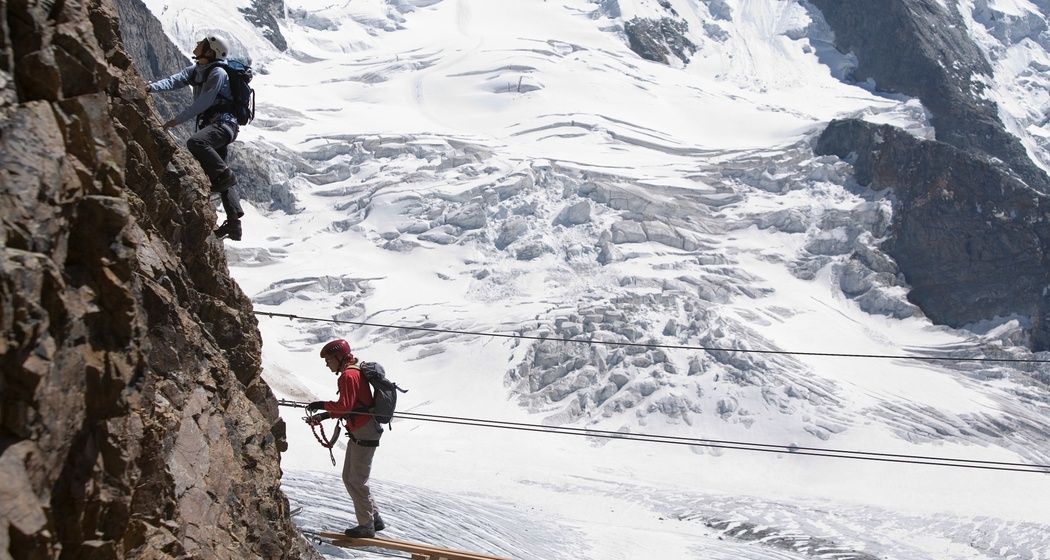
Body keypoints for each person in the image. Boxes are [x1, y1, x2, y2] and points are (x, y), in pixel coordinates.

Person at [146, 34, 244, 241]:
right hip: (218, 126)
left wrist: (176, 120)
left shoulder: (217, 73)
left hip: (223, 124)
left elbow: (205, 102)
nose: (197, 44)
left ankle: (225, 178)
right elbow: (176, 80)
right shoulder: (198, 70)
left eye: (202, 44)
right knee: (221, 173)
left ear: (211, 51)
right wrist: (151, 87)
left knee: (197, 143)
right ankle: (234, 223)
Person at [306, 339, 386, 538]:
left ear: (338, 357)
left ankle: (367, 525)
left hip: (363, 431)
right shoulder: (354, 372)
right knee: (349, 477)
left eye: (328, 360)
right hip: (361, 430)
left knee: (356, 480)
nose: (327, 365)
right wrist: (324, 413)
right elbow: (350, 406)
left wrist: (322, 406)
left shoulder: (348, 376)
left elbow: (345, 407)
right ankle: (374, 516)